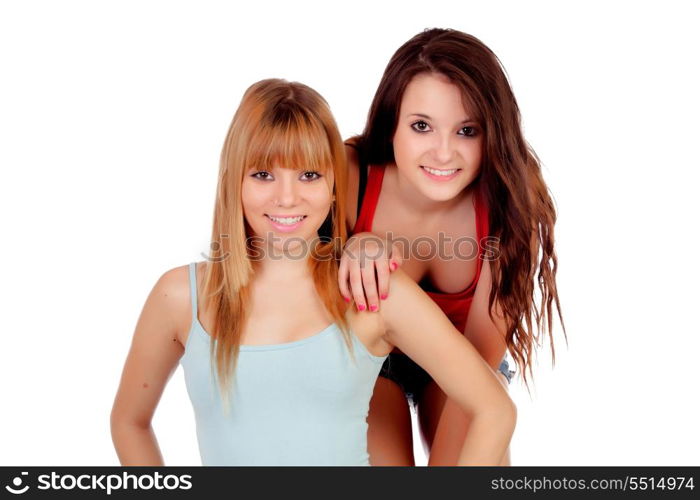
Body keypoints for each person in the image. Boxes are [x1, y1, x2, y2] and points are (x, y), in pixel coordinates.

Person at [110, 78, 516, 466]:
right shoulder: (180, 296)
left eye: (308, 175)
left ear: (335, 184)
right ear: (233, 179)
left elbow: (493, 408)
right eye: (263, 174)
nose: (287, 198)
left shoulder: (373, 292)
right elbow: (129, 423)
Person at [338, 28, 564, 465]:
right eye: (422, 126)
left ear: (491, 134)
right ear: (391, 124)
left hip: (461, 359)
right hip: (368, 356)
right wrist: (354, 245)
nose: (443, 153)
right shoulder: (349, 176)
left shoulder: (511, 204)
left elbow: (478, 367)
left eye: (466, 130)